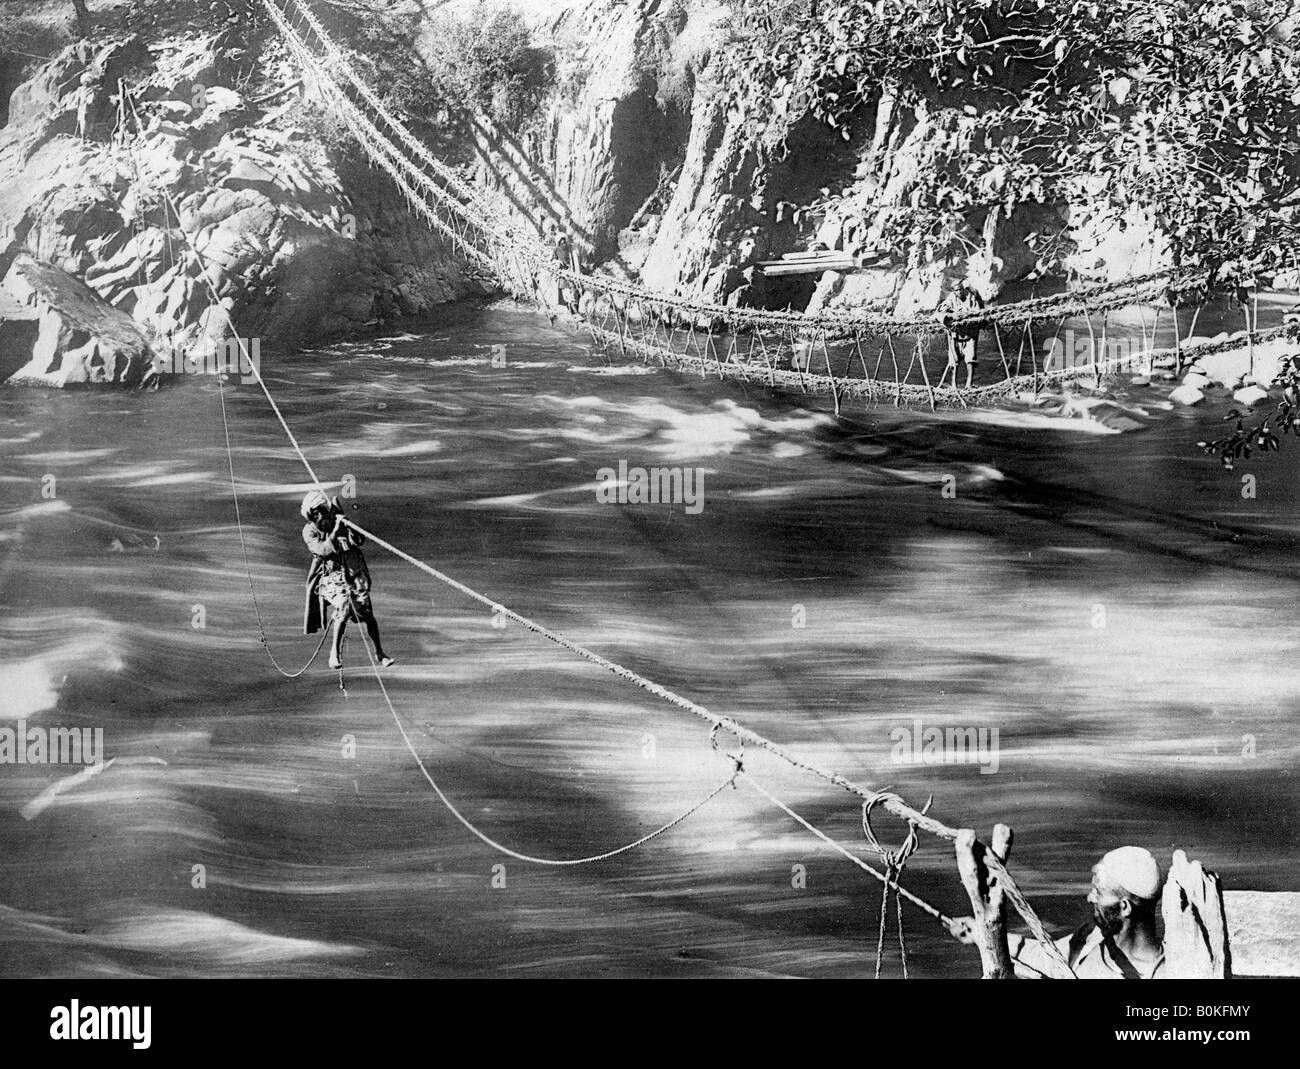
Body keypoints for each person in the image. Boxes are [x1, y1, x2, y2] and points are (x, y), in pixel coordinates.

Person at [1008, 846, 1166, 979]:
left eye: (1099, 893)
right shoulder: (1091, 939)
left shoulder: (1169, 972)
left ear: (1125, 907)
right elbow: (1042, 956)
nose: (1090, 898)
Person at [301, 490, 394, 671]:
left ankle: (380, 653)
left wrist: (347, 524)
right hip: (331, 578)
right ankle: (334, 654)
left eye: (321, 511)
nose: (319, 517)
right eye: (314, 515)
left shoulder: (336, 518)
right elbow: (322, 549)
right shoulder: (309, 531)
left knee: (368, 613)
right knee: (343, 606)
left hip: (353, 572)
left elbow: (359, 540)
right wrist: (336, 532)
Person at [938, 282, 983, 391]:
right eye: (957, 290)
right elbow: (942, 310)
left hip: (970, 333)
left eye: (961, 289)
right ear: (953, 291)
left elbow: (977, 311)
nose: (959, 292)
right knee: (953, 360)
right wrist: (951, 314)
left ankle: (969, 384)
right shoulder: (951, 298)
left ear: (963, 288)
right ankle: (953, 385)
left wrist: (966, 313)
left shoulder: (971, 297)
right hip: (955, 334)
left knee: (970, 359)